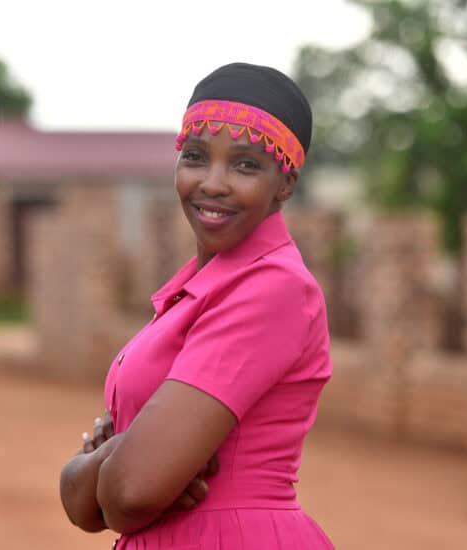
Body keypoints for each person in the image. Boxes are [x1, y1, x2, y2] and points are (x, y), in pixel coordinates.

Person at [60, 62, 334, 549]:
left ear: (286, 183)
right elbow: (82, 507)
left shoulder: (273, 288)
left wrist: (113, 465)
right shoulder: (197, 290)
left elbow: (129, 495)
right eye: (195, 157)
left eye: (246, 165)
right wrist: (114, 458)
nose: (213, 183)